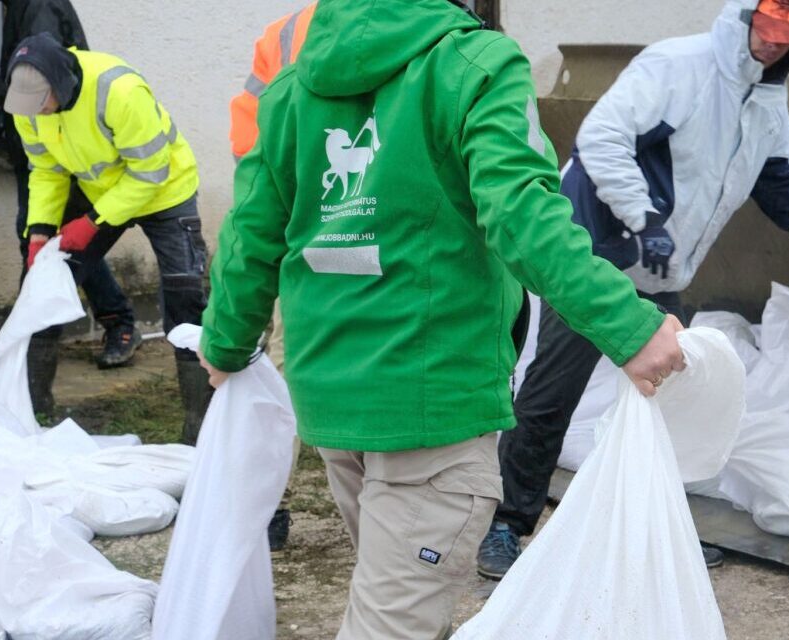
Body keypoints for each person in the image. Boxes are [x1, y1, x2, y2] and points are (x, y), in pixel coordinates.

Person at [197, 0, 684, 636]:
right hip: (433, 409)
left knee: (396, 602)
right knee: (392, 622)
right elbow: (521, 215)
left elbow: (251, 236)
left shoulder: (292, 86)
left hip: (333, 404)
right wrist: (630, 327)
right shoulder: (476, 64)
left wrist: (225, 344)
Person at [476, 0, 789, 580]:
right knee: (555, 390)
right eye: (767, 32)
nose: (774, 47)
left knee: (673, 400)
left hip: (660, 270)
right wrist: (643, 219)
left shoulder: (767, 106)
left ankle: (660, 530)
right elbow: (601, 139)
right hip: (598, 257)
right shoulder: (680, 67)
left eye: (788, 41)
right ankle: (506, 523)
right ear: (744, 19)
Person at [3, 33, 211, 444]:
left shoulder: (119, 90)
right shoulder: (27, 106)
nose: (36, 112)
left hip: (165, 191)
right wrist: (40, 231)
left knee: (186, 304)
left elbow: (150, 171)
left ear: (61, 85)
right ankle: (34, 416)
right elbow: (45, 170)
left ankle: (200, 435)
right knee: (42, 288)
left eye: (43, 102)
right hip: (103, 194)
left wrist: (92, 222)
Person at [0, 0, 141, 417]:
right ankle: (108, 324)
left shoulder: (36, 5)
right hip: (47, 159)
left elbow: (40, 77)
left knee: (59, 247)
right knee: (55, 243)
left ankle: (44, 363)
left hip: (63, 158)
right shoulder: (17, 7)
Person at [226, 1, 318, 553]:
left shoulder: (284, 31)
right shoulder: (285, 34)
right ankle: (269, 500)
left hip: (307, 213)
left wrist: (267, 196)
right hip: (338, 215)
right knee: (289, 360)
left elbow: (249, 135)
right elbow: (251, 126)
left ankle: (269, 502)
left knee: (289, 360)